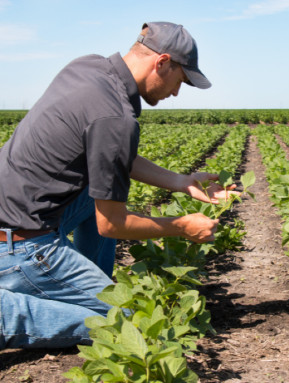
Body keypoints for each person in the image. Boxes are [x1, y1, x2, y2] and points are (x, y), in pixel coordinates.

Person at [0, 21, 232, 349]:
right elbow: (112, 224)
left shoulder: (89, 67)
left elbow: (109, 154)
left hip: (16, 216)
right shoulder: (116, 117)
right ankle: (10, 310)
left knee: (98, 190)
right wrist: (182, 226)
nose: (176, 93)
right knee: (130, 327)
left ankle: (83, 285)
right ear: (162, 61)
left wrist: (182, 182)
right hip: (22, 246)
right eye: (181, 80)